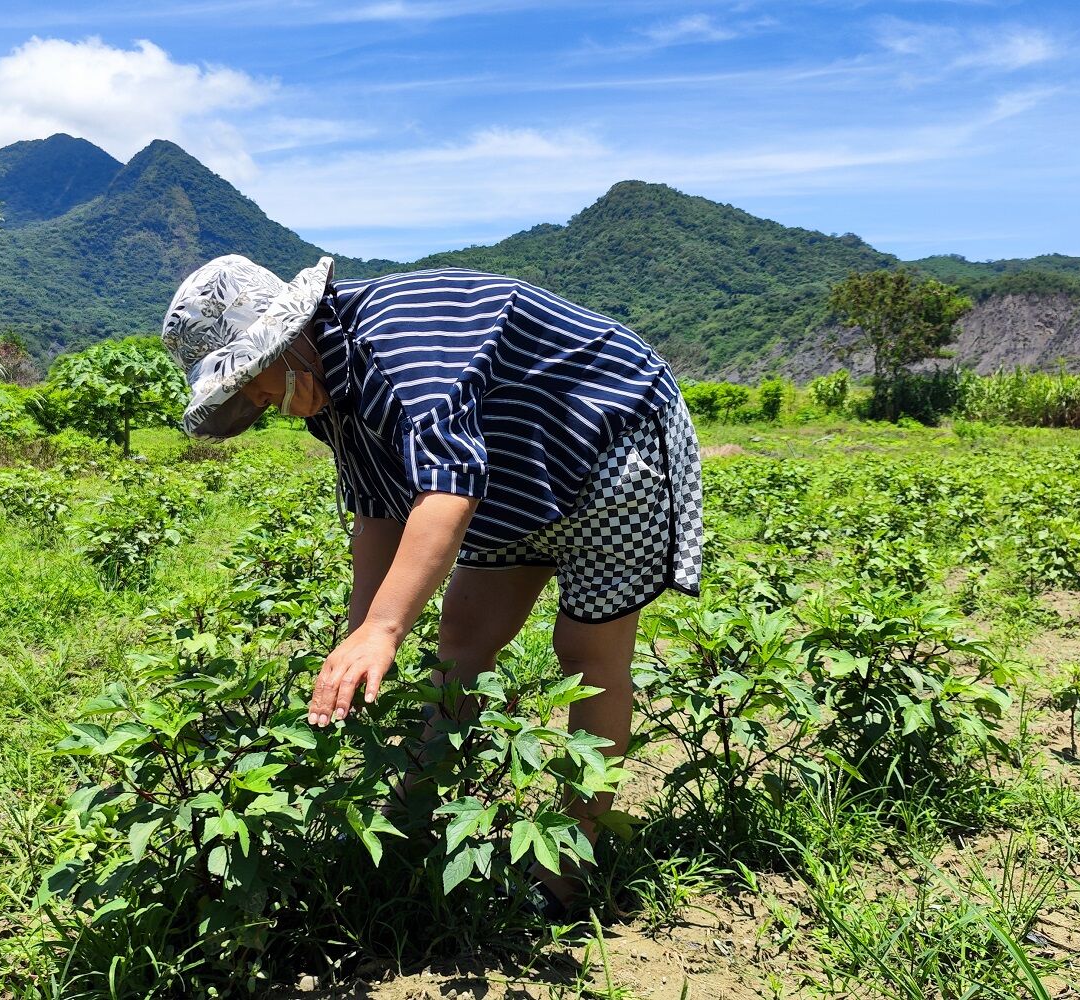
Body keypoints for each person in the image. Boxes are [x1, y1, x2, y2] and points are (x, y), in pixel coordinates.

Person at [162, 253, 702, 908]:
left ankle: (569, 860)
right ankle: (411, 815)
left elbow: (446, 489)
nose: (256, 397)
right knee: (463, 634)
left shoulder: (398, 344)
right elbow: (376, 514)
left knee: (586, 654)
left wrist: (386, 628)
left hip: (616, 434)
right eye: (240, 390)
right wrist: (361, 638)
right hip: (516, 465)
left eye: (252, 375)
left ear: (292, 333)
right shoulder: (323, 387)